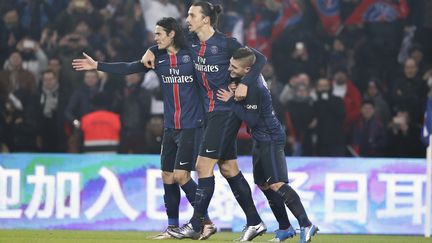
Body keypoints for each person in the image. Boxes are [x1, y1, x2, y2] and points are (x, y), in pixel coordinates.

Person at [72, 17, 216, 240]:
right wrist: (98, 65)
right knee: (168, 175)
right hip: (170, 126)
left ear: (171, 35)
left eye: (159, 34)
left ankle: (204, 221)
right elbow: (130, 68)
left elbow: (206, 50)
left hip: (191, 125)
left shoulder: (192, 55)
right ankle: (172, 227)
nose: (155, 38)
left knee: (180, 175)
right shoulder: (157, 58)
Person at [142, 2, 267, 241]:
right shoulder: (189, 41)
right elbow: (166, 41)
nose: (187, 18)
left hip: (224, 111)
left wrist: (243, 84)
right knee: (229, 169)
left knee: (202, 167)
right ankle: (255, 221)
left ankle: (197, 224)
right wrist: (150, 49)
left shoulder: (227, 44)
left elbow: (259, 59)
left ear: (206, 19)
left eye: (192, 15)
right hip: (208, 114)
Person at [217, 47, 318, 243]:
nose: (229, 69)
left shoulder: (254, 86)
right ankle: (285, 228)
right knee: (263, 184)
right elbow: (259, 57)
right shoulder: (247, 79)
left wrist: (231, 101)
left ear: (247, 70)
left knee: (277, 183)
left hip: (270, 137)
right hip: (260, 138)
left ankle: (306, 224)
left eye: (234, 66)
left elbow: (251, 120)